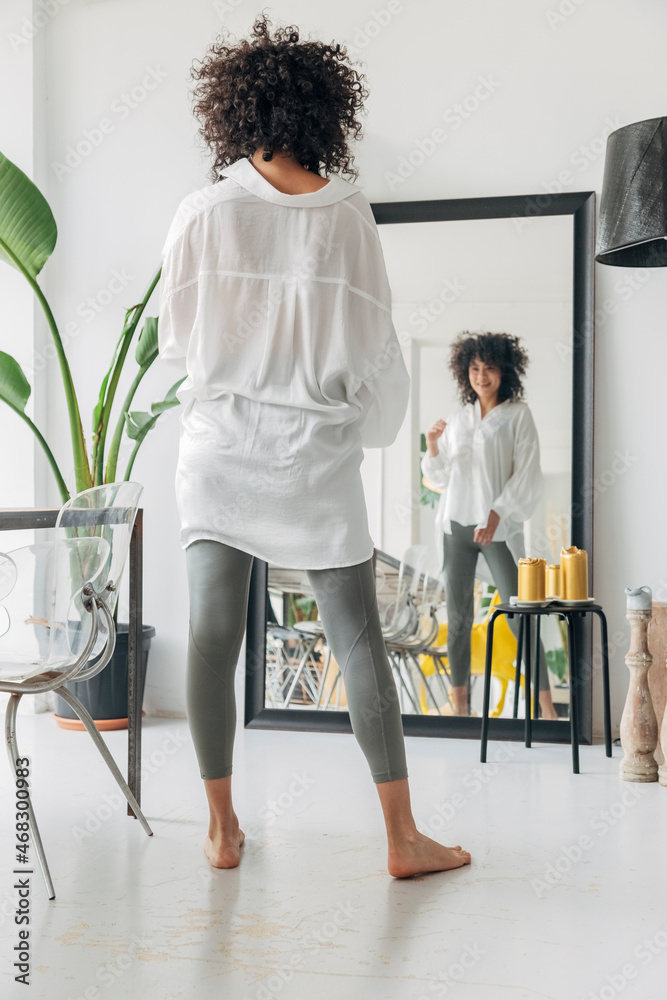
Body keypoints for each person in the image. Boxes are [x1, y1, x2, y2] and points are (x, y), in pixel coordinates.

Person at [157, 13, 471, 878]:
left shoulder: (202, 211)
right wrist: (355, 422)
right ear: (326, 112)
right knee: (359, 642)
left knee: (213, 637)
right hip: (314, 460)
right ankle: (402, 840)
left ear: (236, 109)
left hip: (217, 454)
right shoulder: (349, 216)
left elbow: (173, 348)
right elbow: (374, 355)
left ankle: (221, 830)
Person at [421, 332, 559, 720]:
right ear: (465, 372)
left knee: (520, 614)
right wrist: (432, 444)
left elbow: (528, 473)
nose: (481, 376)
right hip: (456, 528)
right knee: (460, 618)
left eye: (490, 368)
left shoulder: (517, 415)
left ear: (505, 371)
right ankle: (461, 707)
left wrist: (497, 515)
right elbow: (440, 476)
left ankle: (547, 710)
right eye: (475, 368)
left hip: (497, 529)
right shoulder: (458, 420)